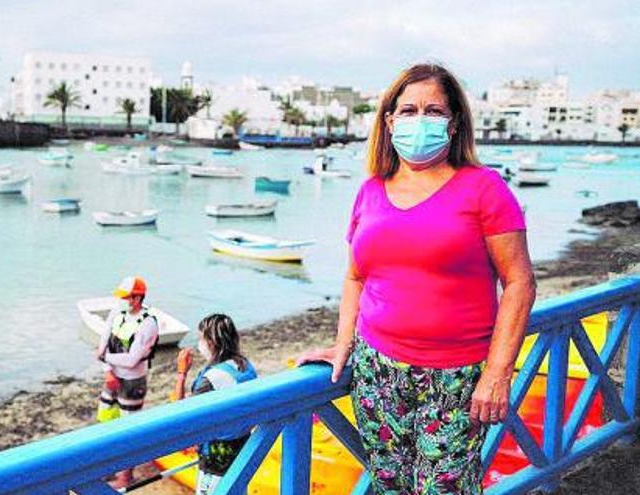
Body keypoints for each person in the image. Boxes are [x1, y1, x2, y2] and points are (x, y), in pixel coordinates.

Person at [299, 63, 536, 495]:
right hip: (377, 372)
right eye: (408, 110)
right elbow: (355, 276)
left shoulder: (484, 189)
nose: (419, 120)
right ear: (389, 121)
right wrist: (343, 343)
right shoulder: (371, 190)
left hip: (455, 377)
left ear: (454, 122)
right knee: (388, 486)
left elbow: (519, 281)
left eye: (433, 110)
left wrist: (498, 373)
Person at [174, 314, 257, 495]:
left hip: (215, 463)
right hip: (243, 453)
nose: (199, 344)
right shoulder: (245, 367)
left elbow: (179, 417)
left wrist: (181, 373)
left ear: (211, 343)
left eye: (201, 338)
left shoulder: (210, 380)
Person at [95, 276, 159, 486]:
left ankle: (126, 476)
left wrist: (106, 358)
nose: (122, 301)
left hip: (132, 382)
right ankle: (108, 469)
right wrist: (108, 370)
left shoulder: (148, 323)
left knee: (128, 428)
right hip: (112, 377)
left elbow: (132, 360)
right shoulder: (117, 313)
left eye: (127, 297)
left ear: (137, 298)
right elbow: (103, 341)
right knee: (105, 421)